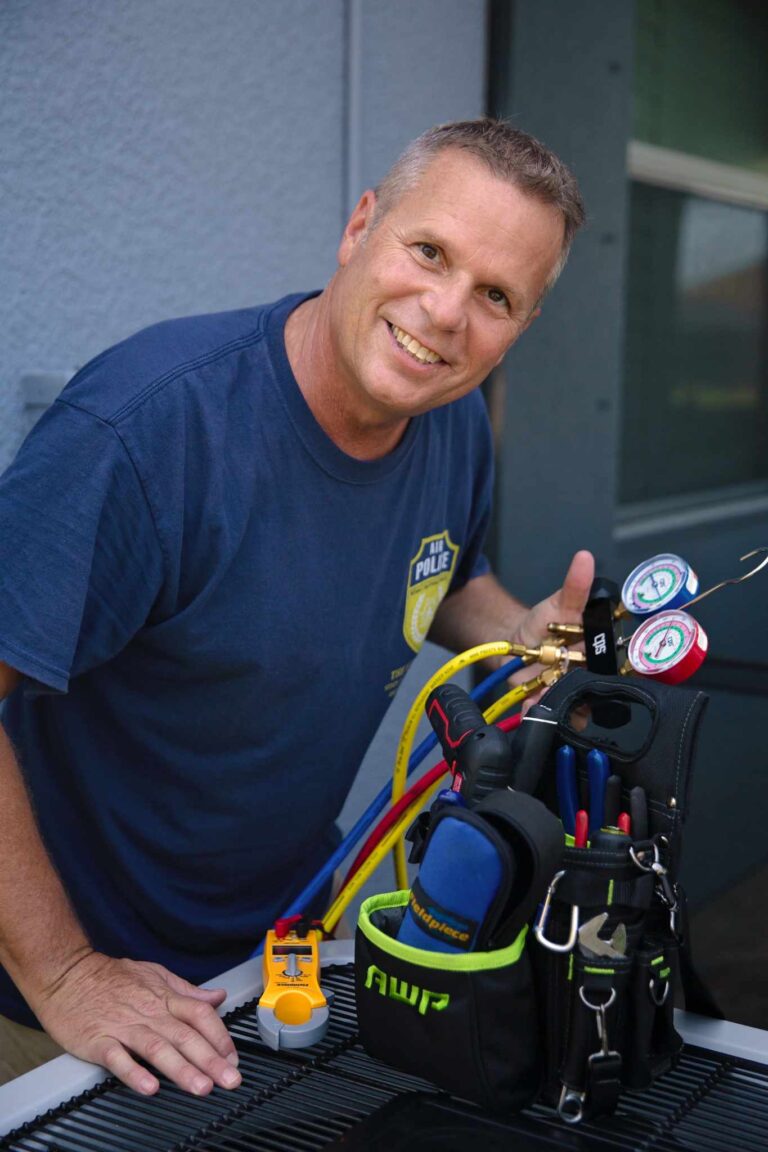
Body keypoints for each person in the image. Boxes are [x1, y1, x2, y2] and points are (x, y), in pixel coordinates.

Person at [0, 119, 591, 1097]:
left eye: (496, 295)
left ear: (521, 325)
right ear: (362, 227)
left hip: (280, 958)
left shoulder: (454, 429)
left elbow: (439, 575)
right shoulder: (150, 432)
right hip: (67, 1005)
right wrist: (67, 974)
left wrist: (518, 635)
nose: (446, 313)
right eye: (430, 251)